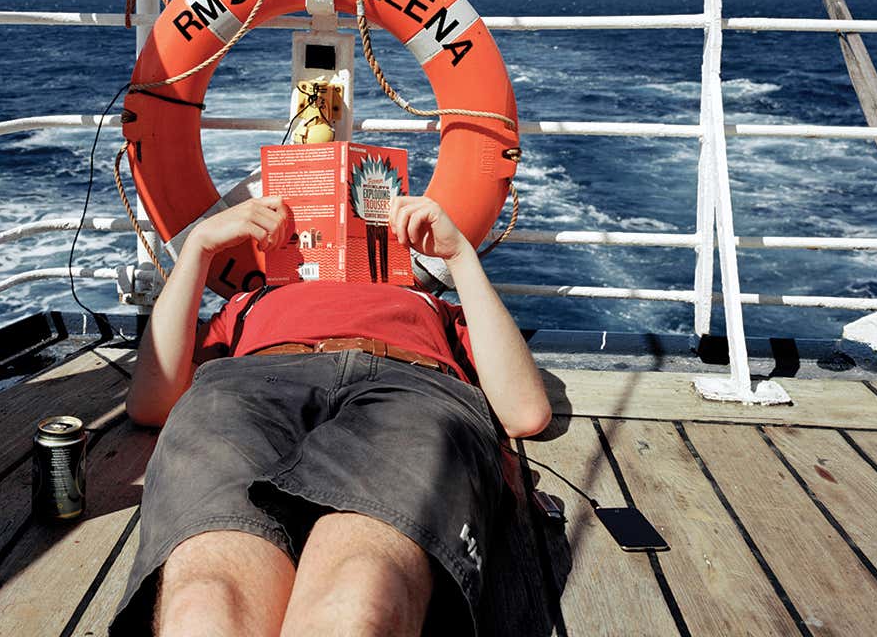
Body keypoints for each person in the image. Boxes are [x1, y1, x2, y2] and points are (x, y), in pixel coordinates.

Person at [111, 194, 551, 636]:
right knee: (205, 603)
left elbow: (524, 412)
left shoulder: (430, 305)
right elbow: (151, 401)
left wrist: (459, 257)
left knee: (363, 597)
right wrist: (199, 245)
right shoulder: (247, 304)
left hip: (406, 386)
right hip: (250, 385)